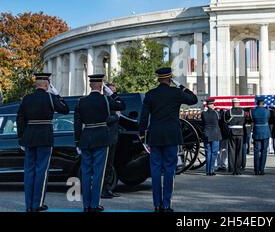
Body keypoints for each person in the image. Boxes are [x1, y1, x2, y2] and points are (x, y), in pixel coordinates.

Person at [139, 68, 197, 212]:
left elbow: (144, 117)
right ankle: (166, 204)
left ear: (158, 79)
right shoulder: (176, 93)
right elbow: (193, 99)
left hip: (155, 136)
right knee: (170, 170)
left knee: (155, 170)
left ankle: (156, 205)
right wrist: (181, 86)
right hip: (171, 136)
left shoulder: (150, 94)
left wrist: (142, 134)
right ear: (170, 78)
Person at [17, 73, 69, 212]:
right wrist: (57, 95)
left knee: (29, 171)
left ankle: (29, 205)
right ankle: (37, 204)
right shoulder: (50, 98)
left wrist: (21, 138)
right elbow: (65, 109)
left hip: (29, 137)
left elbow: (20, 119)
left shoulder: (26, 99)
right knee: (42, 171)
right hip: (44, 137)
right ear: (46, 85)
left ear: (36, 84)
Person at [74, 74, 126, 212]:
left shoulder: (81, 101)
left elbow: (77, 123)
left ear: (90, 85)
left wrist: (77, 141)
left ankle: (86, 205)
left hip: (86, 138)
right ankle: (94, 204)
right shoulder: (106, 100)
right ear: (101, 86)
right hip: (101, 138)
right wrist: (112, 95)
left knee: (86, 172)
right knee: (98, 172)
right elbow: (123, 105)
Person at [101, 82, 123, 199]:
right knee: (105, 165)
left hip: (113, 137)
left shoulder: (113, 103)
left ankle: (108, 188)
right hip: (106, 138)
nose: (114, 94)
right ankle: (104, 189)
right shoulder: (104, 102)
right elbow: (105, 119)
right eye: (112, 92)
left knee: (110, 165)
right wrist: (116, 117)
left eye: (115, 92)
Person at [223, 98, 246, 175]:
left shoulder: (228, 112)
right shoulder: (243, 112)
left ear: (232, 104)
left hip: (231, 133)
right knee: (239, 152)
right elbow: (244, 122)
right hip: (240, 133)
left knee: (231, 151)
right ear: (238, 104)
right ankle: (238, 169)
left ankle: (232, 169)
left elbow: (225, 122)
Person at [201, 99, 222, 176]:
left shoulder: (203, 113)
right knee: (214, 152)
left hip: (207, 134)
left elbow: (203, 122)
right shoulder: (217, 113)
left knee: (208, 153)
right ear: (213, 105)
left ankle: (207, 171)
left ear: (207, 105)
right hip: (215, 134)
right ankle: (211, 170)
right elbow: (219, 120)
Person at [250, 97, 271, 175]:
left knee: (256, 151)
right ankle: (261, 170)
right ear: (263, 103)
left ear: (257, 103)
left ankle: (256, 170)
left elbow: (252, 121)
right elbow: (268, 119)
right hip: (265, 132)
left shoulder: (253, 111)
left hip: (256, 131)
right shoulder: (267, 111)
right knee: (264, 151)